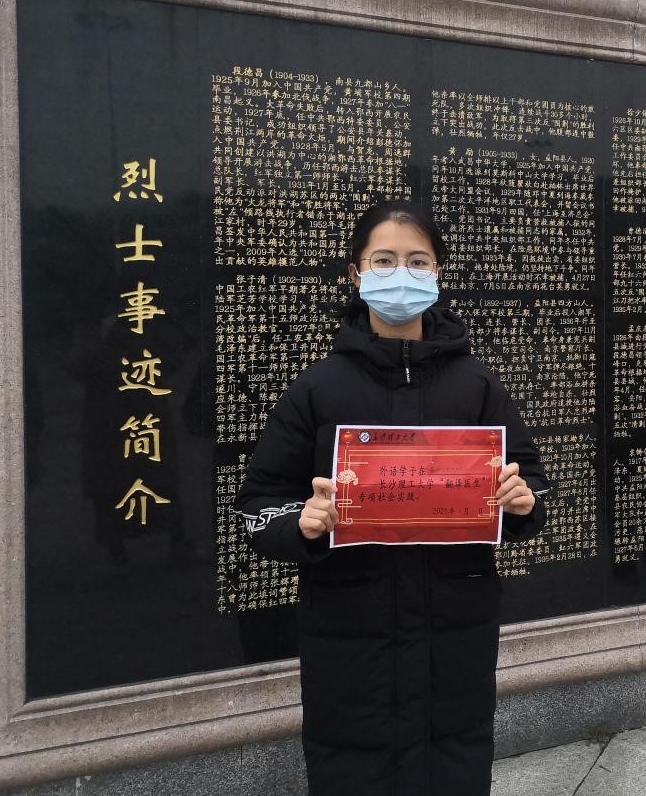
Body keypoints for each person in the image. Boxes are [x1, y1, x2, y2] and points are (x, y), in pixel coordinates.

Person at [234, 200, 548, 796]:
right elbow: (259, 504)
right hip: (350, 632)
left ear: (438, 273)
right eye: (383, 260)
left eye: (417, 261)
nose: (400, 274)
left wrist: (522, 501)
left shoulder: (477, 385)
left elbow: (530, 480)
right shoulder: (318, 388)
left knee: (453, 762)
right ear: (356, 273)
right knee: (354, 768)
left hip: (455, 628)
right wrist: (303, 522)